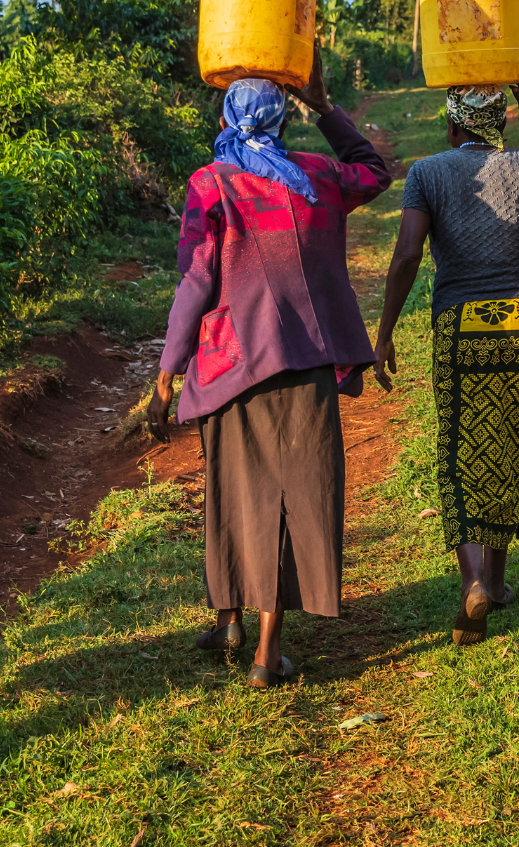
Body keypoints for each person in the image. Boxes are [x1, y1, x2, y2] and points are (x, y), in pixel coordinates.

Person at [150, 70, 390, 688]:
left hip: (231, 363)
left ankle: (233, 621)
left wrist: (166, 372)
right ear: (284, 120)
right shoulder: (316, 176)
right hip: (307, 360)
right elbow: (373, 169)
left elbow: (197, 281)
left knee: (237, 491)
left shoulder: (210, 184)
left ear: (227, 119)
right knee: (294, 496)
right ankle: (262, 651)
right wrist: (326, 106)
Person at [370, 75, 519, 646]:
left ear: (451, 126)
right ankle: (494, 584)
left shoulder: (427, 173)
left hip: (462, 326)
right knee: (512, 445)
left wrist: (385, 332)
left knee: (461, 450)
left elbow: (405, 256)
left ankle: (474, 580)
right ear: (501, 124)